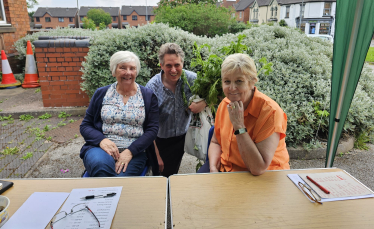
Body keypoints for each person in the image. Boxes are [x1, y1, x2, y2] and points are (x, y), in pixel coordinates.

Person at [198, 53, 290, 175]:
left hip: (265, 177)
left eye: (239, 81)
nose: (231, 88)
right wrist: (213, 167)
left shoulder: (270, 113)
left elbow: (258, 168)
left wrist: (239, 126)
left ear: (252, 82)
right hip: (227, 171)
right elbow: (215, 141)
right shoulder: (225, 104)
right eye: (227, 81)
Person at [80, 51, 159, 177]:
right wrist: (102, 141)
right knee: (101, 167)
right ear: (114, 71)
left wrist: (130, 152)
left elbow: (152, 130)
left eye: (132, 68)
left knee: (120, 179)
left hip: (135, 152)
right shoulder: (101, 93)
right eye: (122, 68)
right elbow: (85, 125)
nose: (128, 72)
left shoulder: (148, 96)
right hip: (101, 149)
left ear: (136, 72)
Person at [146, 43, 206, 177]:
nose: (173, 70)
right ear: (161, 65)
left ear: (182, 63)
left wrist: (204, 102)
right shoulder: (152, 87)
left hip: (181, 138)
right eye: (168, 65)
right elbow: (147, 124)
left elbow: (219, 93)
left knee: (171, 173)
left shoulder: (192, 79)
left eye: (177, 65)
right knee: (157, 173)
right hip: (160, 140)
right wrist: (156, 154)